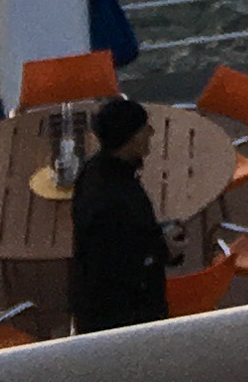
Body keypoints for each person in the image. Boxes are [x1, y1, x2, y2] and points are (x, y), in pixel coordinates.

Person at [66, 93, 168, 334]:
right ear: (132, 139)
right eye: (144, 129)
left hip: (92, 308)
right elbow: (125, 266)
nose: (151, 133)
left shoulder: (91, 173)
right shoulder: (118, 200)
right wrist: (165, 249)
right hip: (126, 319)